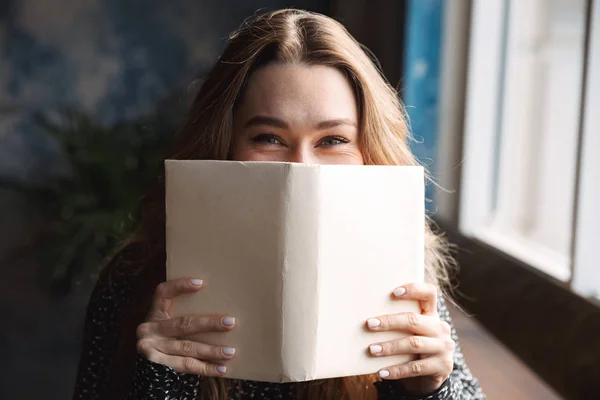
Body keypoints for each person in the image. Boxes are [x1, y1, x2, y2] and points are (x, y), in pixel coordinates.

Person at [72, 8, 485, 400]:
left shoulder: (399, 275)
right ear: (225, 143)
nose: (301, 166)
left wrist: (431, 387)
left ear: (368, 151)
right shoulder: (133, 277)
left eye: (333, 140)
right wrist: (158, 382)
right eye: (269, 137)